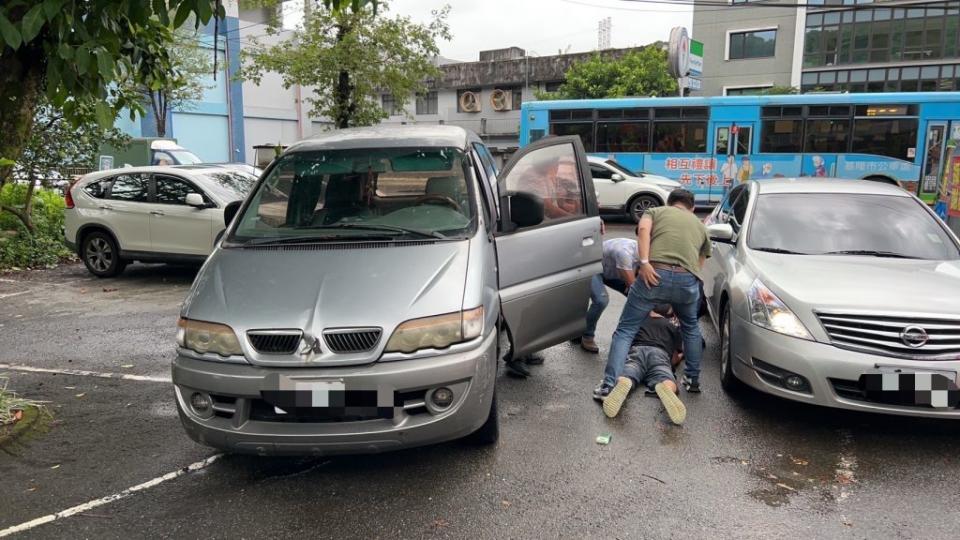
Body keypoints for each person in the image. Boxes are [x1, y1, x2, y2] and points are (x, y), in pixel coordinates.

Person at [594, 188, 710, 400]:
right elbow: (701, 259)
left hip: (655, 274)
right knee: (690, 327)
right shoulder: (699, 225)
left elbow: (644, 230)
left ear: (669, 202)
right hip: (687, 279)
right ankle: (692, 380)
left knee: (626, 330)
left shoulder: (656, 212)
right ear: (692, 208)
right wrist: (688, 279)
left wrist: (645, 262)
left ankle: (609, 385)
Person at [599, 304, 686, 424]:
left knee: (630, 369)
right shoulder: (671, 326)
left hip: (637, 351)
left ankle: (625, 381)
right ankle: (667, 388)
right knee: (664, 374)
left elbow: (621, 341)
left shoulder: (636, 321)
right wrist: (681, 357)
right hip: (660, 354)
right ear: (667, 314)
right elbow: (674, 359)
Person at [581, 227, 640, 353]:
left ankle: (639, 337)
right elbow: (634, 288)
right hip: (594, 268)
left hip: (612, 272)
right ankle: (587, 335)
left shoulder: (647, 256)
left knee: (640, 299)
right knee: (601, 300)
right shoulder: (624, 252)